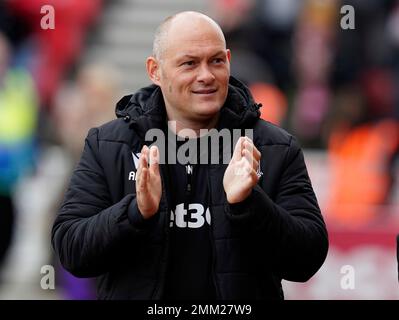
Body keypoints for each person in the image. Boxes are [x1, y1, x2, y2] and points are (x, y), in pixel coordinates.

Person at [51, 11, 328, 300]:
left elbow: (307, 260)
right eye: (189, 63)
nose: (206, 75)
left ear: (229, 62)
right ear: (155, 71)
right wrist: (136, 213)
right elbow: (72, 250)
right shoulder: (108, 145)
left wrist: (250, 204)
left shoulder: (274, 147)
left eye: (216, 61)